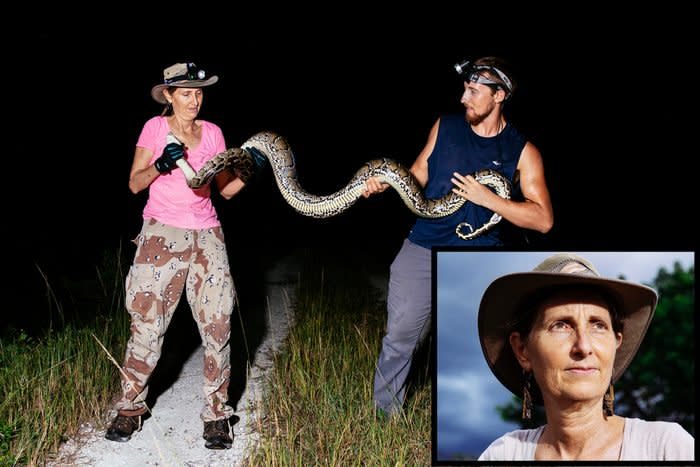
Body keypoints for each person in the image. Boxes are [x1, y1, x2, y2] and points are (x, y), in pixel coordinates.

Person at [363, 56, 554, 416]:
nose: (464, 98)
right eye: (464, 89)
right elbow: (417, 173)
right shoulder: (445, 127)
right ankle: (383, 419)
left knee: (483, 347)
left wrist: (490, 199)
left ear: (500, 96)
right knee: (400, 338)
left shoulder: (523, 151)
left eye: (473, 91)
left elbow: (543, 219)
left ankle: (488, 425)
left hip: (477, 256)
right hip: (423, 245)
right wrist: (386, 183)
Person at [105, 62, 247, 450]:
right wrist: (161, 164)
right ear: (168, 95)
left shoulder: (214, 133)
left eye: (199, 93)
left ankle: (217, 416)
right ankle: (129, 408)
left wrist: (251, 168)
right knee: (147, 323)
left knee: (218, 323)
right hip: (161, 233)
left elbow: (227, 190)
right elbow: (135, 183)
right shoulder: (155, 128)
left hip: (207, 234)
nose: (194, 101)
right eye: (185, 93)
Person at [477, 253, 695, 460]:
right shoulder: (504, 454)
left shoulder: (665, 447)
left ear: (615, 344)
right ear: (522, 350)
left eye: (598, 325)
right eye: (560, 325)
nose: (583, 346)